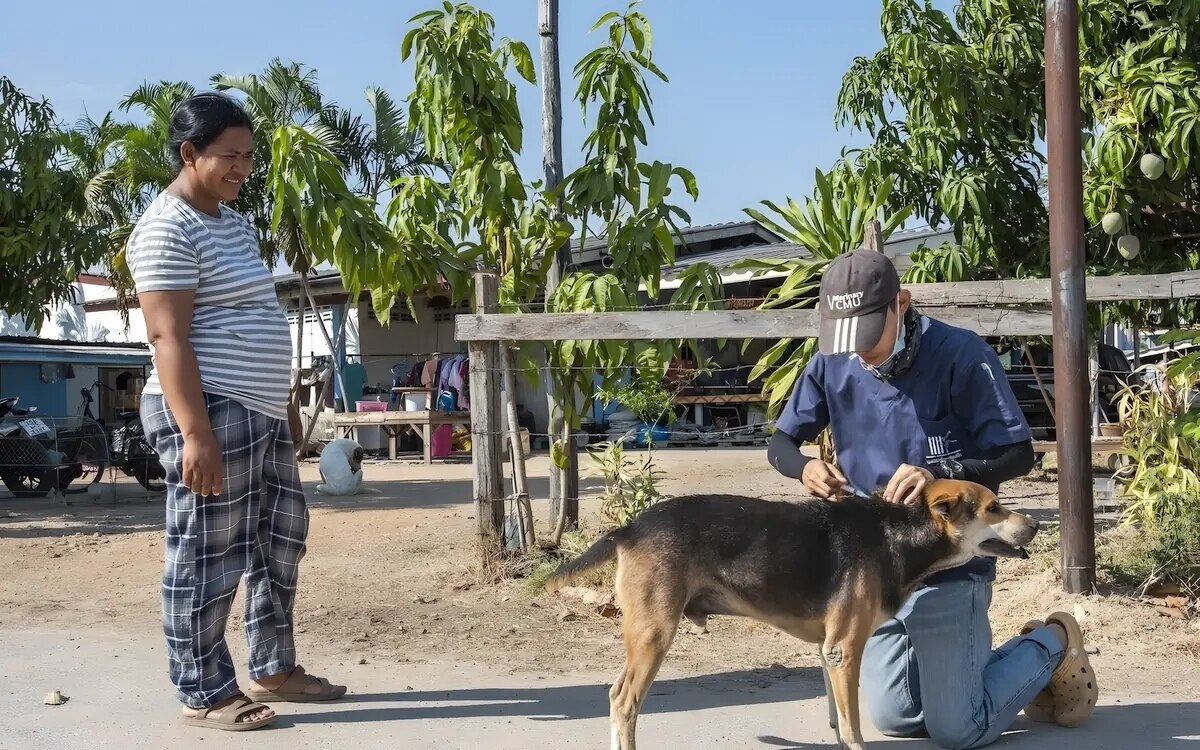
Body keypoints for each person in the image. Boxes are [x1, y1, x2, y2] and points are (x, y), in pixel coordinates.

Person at [767, 249, 1098, 749]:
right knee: (896, 720)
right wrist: (805, 466)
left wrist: (940, 473)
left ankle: (1052, 641)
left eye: (867, 336)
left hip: (949, 567)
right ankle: (969, 673)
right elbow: (779, 444)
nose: (859, 352)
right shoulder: (832, 361)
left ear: (901, 304)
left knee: (957, 730)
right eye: (847, 339)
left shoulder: (963, 356)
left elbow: (1018, 453)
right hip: (874, 572)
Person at [127, 92, 346, 732]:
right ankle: (203, 689)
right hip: (208, 409)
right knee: (207, 551)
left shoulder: (233, 223)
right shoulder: (167, 227)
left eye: (249, 157)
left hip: (256, 410)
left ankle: (273, 665)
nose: (242, 168)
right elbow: (168, 338)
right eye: (230, 156)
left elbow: (255, 317)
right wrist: (195, 433)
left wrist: (281, 406)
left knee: (281, 540)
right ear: (190, 153)